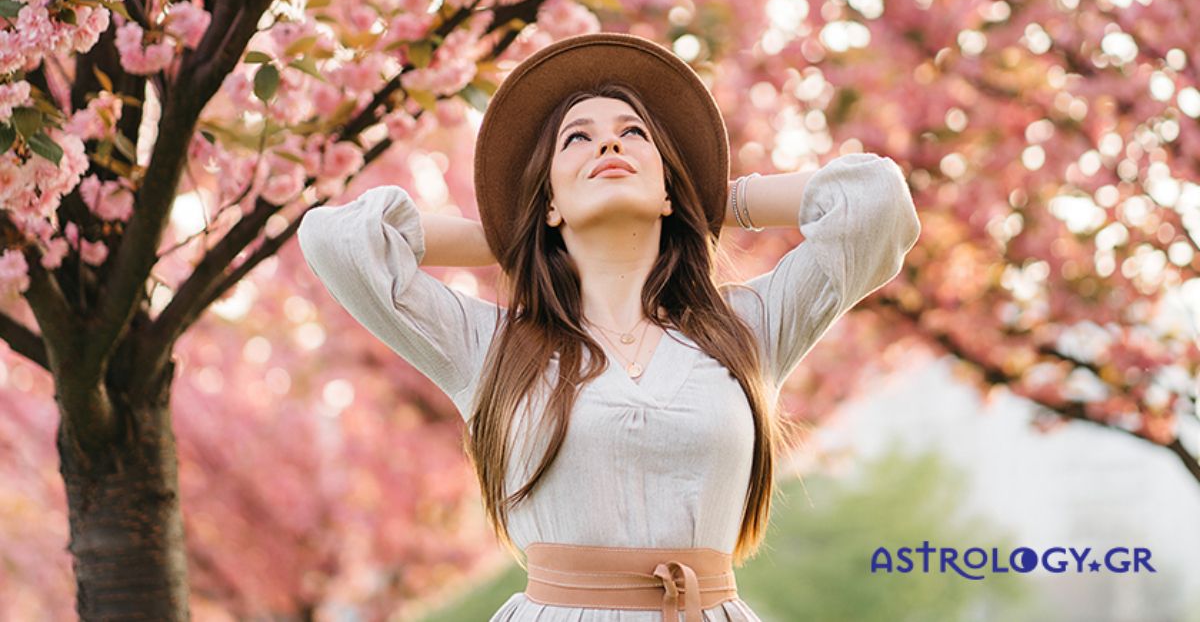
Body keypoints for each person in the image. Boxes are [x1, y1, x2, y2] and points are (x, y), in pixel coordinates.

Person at [297, 31, 921, 622]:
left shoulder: (747, 329)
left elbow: (876, 205)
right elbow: (338, 239)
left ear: (670, 187)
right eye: (577, 140)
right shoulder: (490, 348)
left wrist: (716, 199)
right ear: (547, 201)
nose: (609, 146)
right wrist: (509, 234)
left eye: (634, 134)